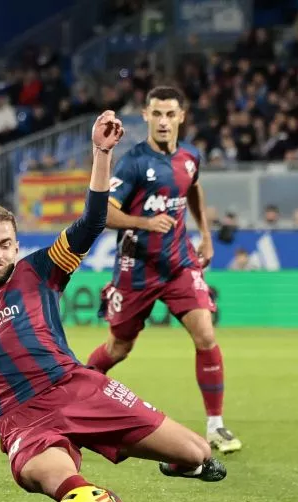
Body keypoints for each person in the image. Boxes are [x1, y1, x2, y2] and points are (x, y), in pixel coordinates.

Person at [0, 111, 226, 502]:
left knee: (198, 452)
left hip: (77, 387)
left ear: (17, 247)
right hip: (21, 420)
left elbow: (91, 222)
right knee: (52, 476)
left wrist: (101, 154)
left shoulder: (41, 270)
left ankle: (182, 463)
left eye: (6, 244)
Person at [84, 86, 243, 454]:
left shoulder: (190, 157)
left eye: (170, 114)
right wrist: (143, 223)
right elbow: (104, 213)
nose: (163, 121)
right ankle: (74, 393)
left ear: (182, 117)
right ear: (146, 116)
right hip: (136, 268)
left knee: (205, 334)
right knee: (119, 347)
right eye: (157, 114)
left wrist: (205, 235)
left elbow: (194, 189)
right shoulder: (133, 163)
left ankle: (216, 426)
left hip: (179, 264)